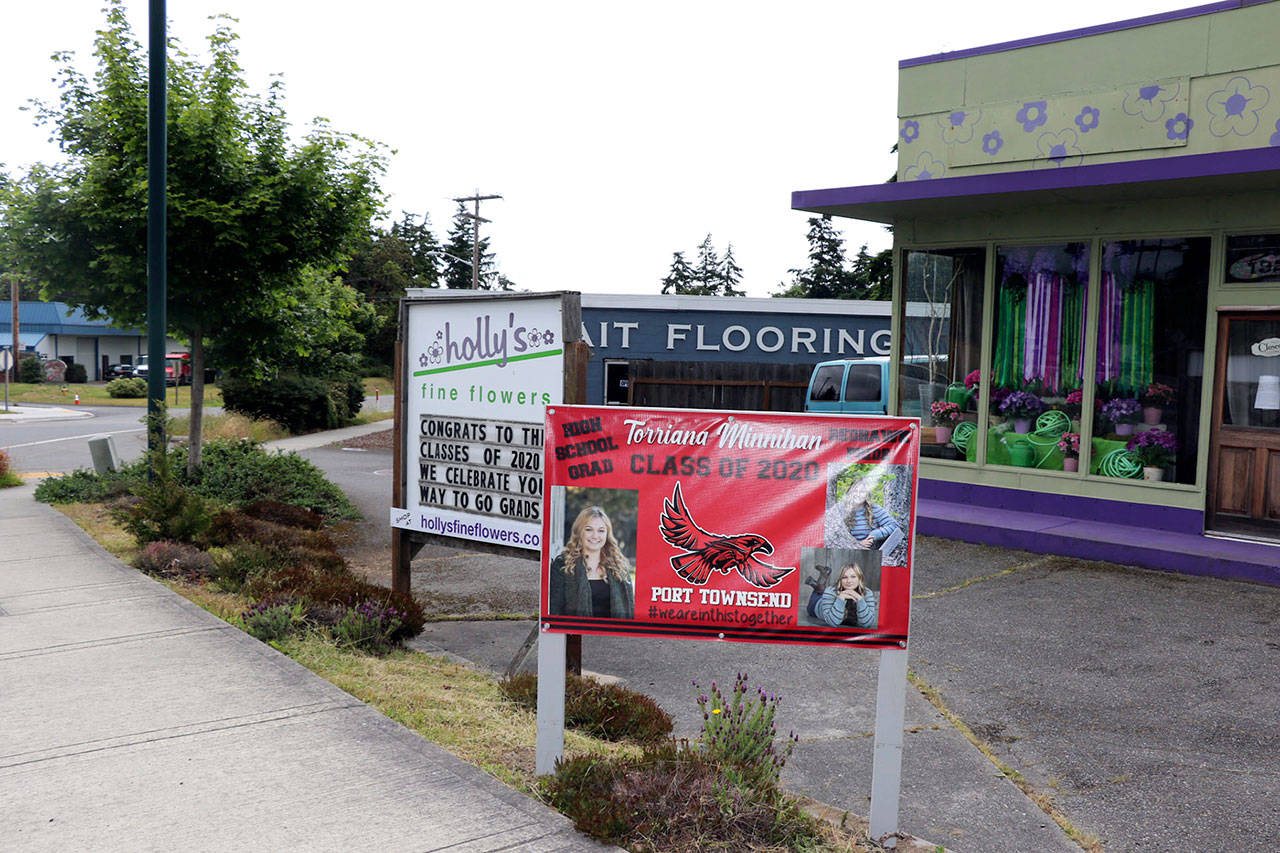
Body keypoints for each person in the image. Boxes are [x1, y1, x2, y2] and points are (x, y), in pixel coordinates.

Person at [548, 506, 635, 619]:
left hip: (612, 635)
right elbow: (555, 611)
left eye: (601, 531)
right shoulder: (562, 566)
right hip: (575, 634)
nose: (595, 536)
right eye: (589, 529)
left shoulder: (619, 567)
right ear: (579, 532)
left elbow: (630, 609)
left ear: (607, 535)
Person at [814, 563, 878, 628]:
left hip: (828, 595)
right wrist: (840, 599)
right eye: (844, 577)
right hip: (817, 604)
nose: (849, 581)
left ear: (859, 578)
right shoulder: (830, 592)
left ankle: (819, 583)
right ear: (840, 580)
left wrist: (860, 599)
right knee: (818, 592)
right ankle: (821, 580)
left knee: (821, 590)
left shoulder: (867, 593)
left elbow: (867, 624)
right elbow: (832, 623)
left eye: (853, 577)